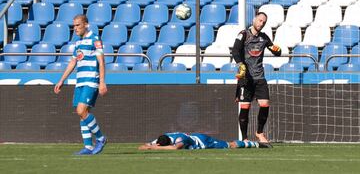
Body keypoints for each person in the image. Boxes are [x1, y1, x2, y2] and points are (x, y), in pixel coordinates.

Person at [54, 15, 107, 155]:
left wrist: (102, 82)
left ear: (86, 25)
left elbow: (101, 61)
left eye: (78, 25)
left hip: (91, 80)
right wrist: (61, 80)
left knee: (81, 110)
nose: (75, 28)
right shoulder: (77, 43)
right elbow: (73, 62)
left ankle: (101, 138)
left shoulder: (95, 39)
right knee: (83, 114)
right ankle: (88, 147)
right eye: (74, 26)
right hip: (80, 81)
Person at [232, 12, 281, 143]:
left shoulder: (264, 38)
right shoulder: (243, 35)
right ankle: (245, 138)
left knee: (265, 104)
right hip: (246, 78)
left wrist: (277, 50)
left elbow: (275, 50)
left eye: (264, 22)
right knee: (245, 108)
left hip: (259, 76)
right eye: (260, 20)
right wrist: (241, 64)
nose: (261, 24)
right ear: (254, 20)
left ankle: (259, 132)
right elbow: (235, 51)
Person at [138, 132, 271, 150]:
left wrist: (155, 148)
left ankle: (256, 144)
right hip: (197, 138)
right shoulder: (161, 138)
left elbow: (175, 148)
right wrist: (149, 145)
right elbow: (142, 147)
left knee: (230, 145)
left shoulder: (180, 138)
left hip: (204, 142)